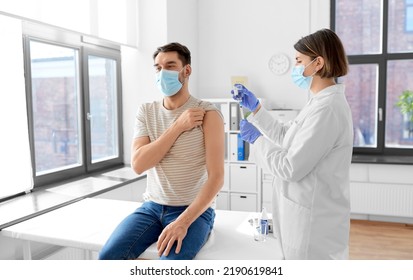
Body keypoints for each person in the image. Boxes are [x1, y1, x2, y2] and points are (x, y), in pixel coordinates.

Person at [232, 29, 353, 259]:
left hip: (313, 223)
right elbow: (286, 137)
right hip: (302, 213)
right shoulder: (318, 102)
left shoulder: (327, 108)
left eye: (299, 61)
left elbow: (290, 167)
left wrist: (256, 140)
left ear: (318, 63)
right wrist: (256, 108)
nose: (295, 68)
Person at [99, 42, 225, 260]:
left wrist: (183, 222)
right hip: (151, 208)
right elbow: (139, 164)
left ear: (187, 71)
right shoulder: (146, 111)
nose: (162, 72)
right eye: (157, 67)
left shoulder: (208, 113)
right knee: (108, 257)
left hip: (193, 211)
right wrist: (177, 127)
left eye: (170, 65)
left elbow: (217, 178)